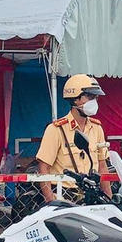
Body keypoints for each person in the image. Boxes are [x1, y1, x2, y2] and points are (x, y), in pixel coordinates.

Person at [36, 74, 113, 203]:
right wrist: (50, 201)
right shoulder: (56, 129)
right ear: (75, 99)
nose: (94, 101)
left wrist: (109, 199)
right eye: (89, 96)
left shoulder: (97, 128)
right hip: (63, 196)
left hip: (90, 196)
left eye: (95, 97)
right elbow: (44, 167)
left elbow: (102, 166)